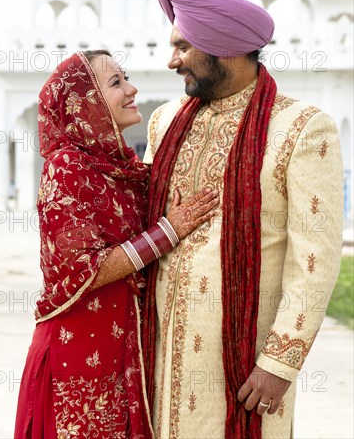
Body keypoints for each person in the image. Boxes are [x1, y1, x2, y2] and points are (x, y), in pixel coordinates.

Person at [141, 0, 344, 439]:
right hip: (158, 356)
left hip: (243, 367)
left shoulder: (302, 128)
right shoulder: (165, 121)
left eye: (183, 46)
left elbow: (314, 259)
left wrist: (280, 361)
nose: (172, 61)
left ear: (222, 45)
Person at [14, 50, 219, 439]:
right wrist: (168, 232)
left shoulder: (123, 169)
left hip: (121, 348)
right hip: (77, 356)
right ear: (84, 103)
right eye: (116, 83)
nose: (132, 89)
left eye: (125, 78)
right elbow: (82, 270)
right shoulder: (66, 168)